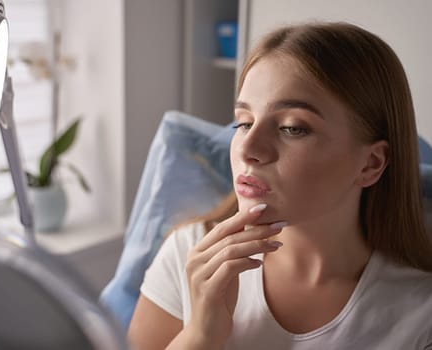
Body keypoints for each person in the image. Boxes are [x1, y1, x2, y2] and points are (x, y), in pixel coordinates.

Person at [128, 22, 432, 349]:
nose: (247, 148)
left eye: (292, 128)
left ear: (371, 164)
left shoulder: (420, 315)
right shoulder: (189, 255)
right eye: (243, 123)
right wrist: (201, 333)